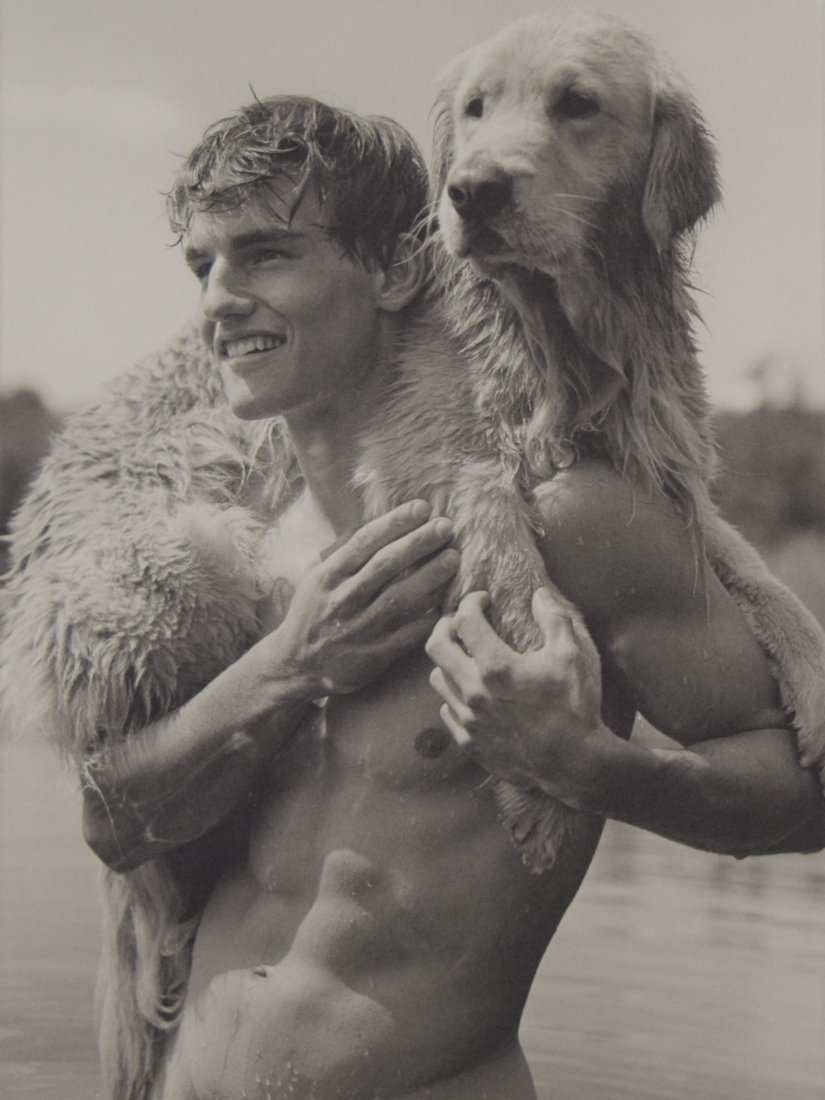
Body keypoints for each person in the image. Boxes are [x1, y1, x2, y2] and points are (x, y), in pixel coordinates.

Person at [4, 96, 824, 1100]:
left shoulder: (566, 522)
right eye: (203, 265)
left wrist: (587, 765)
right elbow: (114, 823)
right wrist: (287, 667)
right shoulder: (242, 552)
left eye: (266, 254)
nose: (219, 298)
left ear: (396, 268)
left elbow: (805, 793)